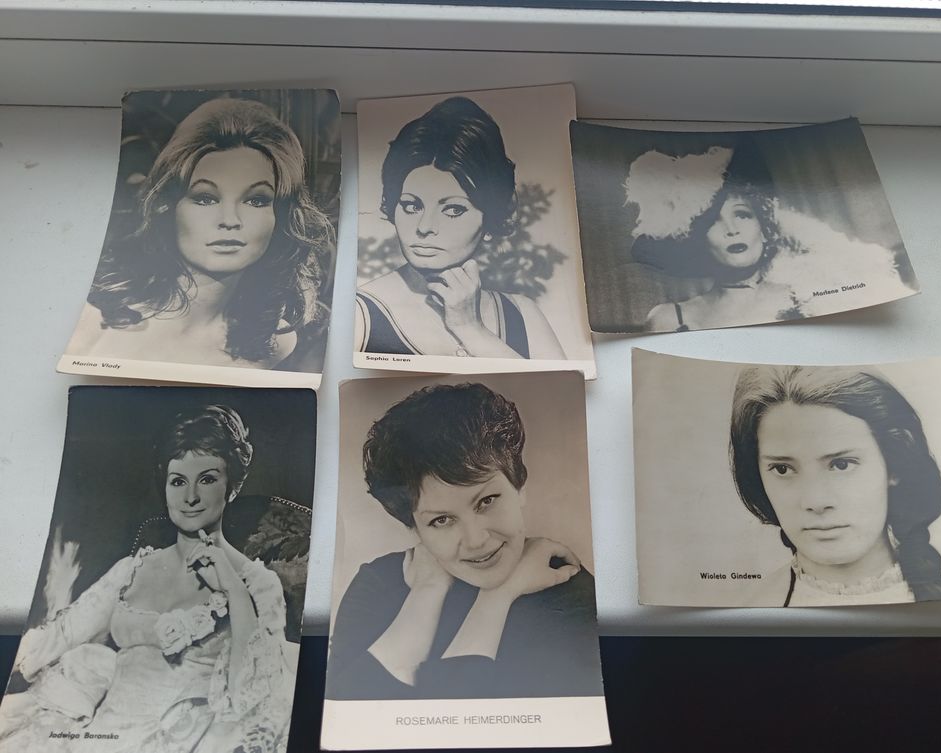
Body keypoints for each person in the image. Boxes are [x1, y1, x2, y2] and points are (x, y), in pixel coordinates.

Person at [0, 405, 294, 752]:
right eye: (178, 481)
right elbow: (60, 636)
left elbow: (254, 701)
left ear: (231, 487)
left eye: (207, 479)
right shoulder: (132, 570)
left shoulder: (257, 584)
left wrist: (233, 589)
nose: (190, 497)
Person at [327, 383, 602, 700]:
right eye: (441, 520)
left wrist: (496, 598)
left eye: (487, 501)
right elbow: (341, 712)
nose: (476, 540)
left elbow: (459, 722)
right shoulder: (378, 583)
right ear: (415, 529)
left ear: (519, 487)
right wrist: (426, 592)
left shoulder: (567, 590)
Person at [66, 97, 334, 370]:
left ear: (280, 216)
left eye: (256, 200)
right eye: (205, 198)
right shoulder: (94, 320)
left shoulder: (276, 343)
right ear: (167, 206)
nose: (230, 220)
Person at [355, 97, 565, 360]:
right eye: (411, 206)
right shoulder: (359, 313)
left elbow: (561, 387)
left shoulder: (522, 315)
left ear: (490, 220)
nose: (425, 227)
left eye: (453, 209)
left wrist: (470, 328)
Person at [729, 365, 941, 607]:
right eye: (783, 469)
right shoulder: (746, 608)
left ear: (895, 465)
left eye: (841, 464)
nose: (816, 501)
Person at [625, 143, 910, 333]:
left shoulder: (807, 298)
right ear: (696, 239)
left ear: (764, 227)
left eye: (743, 214)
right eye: (712, 222)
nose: (731, 229)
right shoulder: (670, 317)